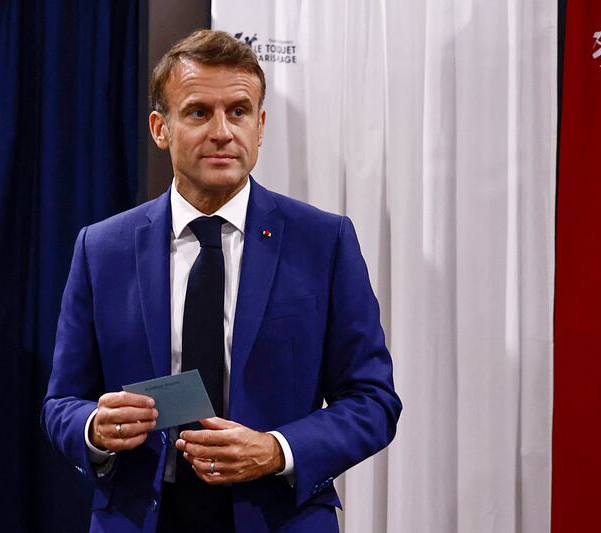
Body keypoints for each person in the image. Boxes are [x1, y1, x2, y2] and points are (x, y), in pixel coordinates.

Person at [42, 29, 401, 533]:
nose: (222, 131)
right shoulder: (102, 248)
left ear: (260, 126)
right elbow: (62, 403)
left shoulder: (324, 241)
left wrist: (277, 450)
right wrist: (95, 429)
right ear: (159, 128)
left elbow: (373, 401)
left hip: (278, 515)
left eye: (238, 111)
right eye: (197, 112)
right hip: (141, 518)